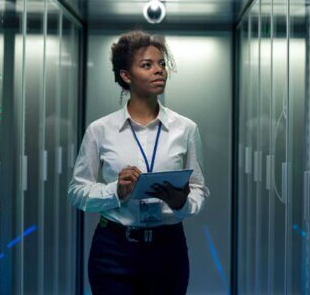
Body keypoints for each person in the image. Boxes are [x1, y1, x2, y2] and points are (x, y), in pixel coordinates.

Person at [68, 31, 209, 295]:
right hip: (113, 250)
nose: (159, 71)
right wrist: (115, 191)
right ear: (126, 75)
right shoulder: (100, 130)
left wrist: (182, 203)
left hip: (168, 248)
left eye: (162, 64)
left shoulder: (186, 129)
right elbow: (77, 192)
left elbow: (199, 189)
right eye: (147, 65)